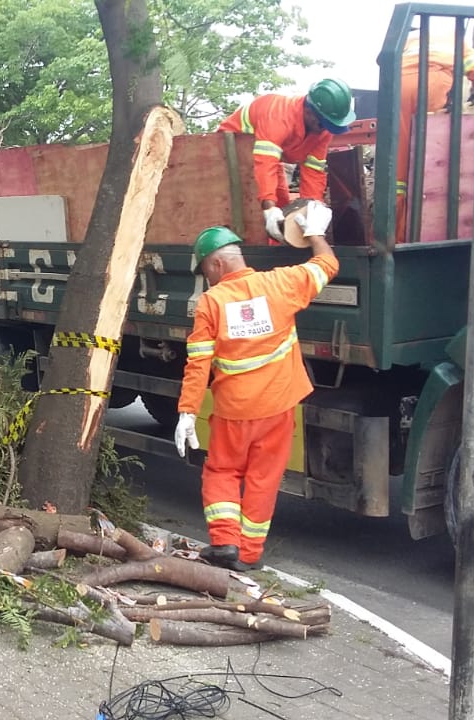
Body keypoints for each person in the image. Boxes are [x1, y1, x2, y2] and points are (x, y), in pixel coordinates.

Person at [172, 202, 339, 572]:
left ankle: (225, 543)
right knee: (264, 478)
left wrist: (187, 413)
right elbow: (328, 265)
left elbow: (198, 363)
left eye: (204, 271)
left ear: (216, 265)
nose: (206, 278)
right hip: (279, 408)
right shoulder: (280, 283)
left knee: (221, 473)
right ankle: (249, 555)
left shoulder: (211, 303)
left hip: (235, 411)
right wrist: (315, 233)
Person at [217, 79, 355, 242]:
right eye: (324, 124)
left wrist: (312, 210)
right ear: (309, 113)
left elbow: (314, 172)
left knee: (282, 203)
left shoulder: (322, 130)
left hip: (262, 159)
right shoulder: (278, 115)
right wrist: (269, 209)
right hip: (229, 150)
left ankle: (279, 255)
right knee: (263, 207)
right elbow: (265, 162)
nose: (326, 130)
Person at [395, 30, 474, 243]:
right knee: (429, 162)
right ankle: (422, 234)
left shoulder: (408, 38)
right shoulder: (457, 40)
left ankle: (395, 237)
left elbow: (383, 61)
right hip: (433, 82)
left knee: (399, 164)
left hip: (399, 85)